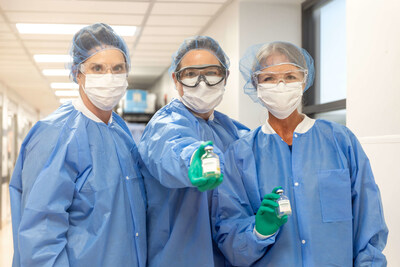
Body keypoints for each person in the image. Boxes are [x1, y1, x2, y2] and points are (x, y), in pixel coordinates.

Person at [213, 41, 388, 266]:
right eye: (269, 78)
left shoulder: (341, 141)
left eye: (290, 76)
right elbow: (231, 243)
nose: (280, 85)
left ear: (304, 80)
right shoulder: (240, 155)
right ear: (255, 85)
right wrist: (259, 232)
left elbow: (369, 225)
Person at [9, 23, 146, 267]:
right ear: (77, 73)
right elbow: (40, 237)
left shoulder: (120, 130)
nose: (109, 77)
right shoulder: (56, 134)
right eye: (97, 68)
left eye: (117, 68)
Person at [138, 36, 249, 267]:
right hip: (178, 258)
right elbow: (171, 148)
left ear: (225, 76)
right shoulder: (165, 123)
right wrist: (194, 161)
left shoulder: (230, 129)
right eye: (190, 74)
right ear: (176, 81)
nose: (202, 82)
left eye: (211, 72)